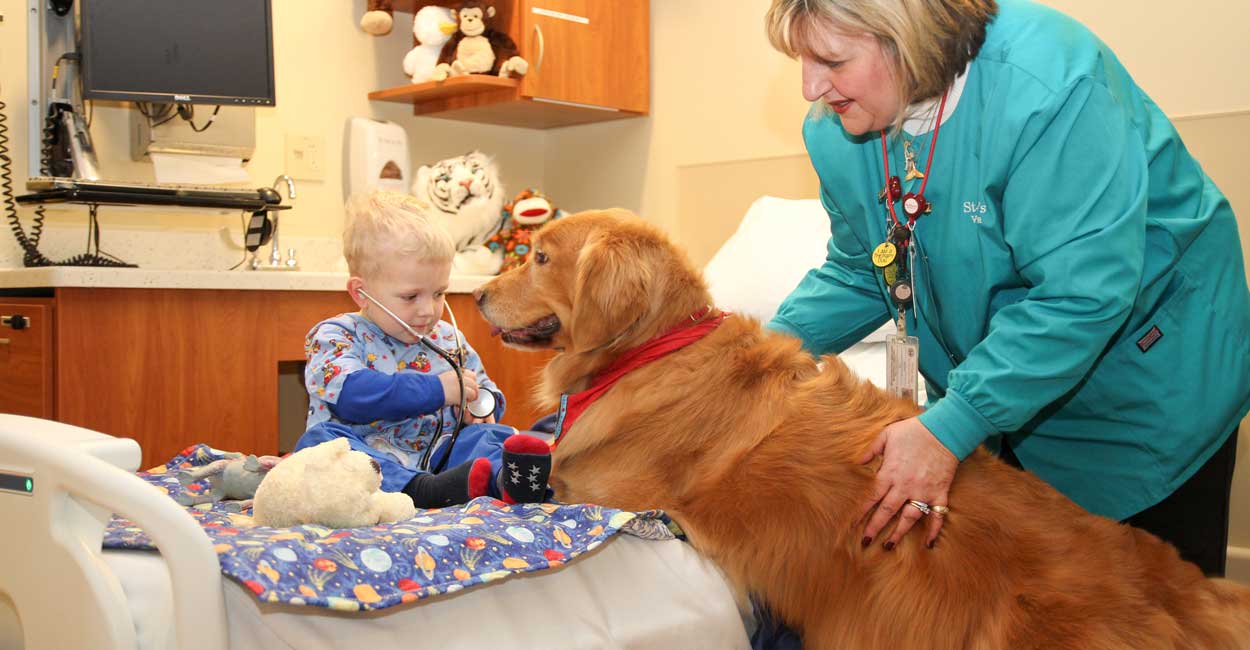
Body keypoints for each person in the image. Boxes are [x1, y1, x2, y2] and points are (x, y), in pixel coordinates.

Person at [764, 0, 1249, 577]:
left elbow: (1080, 295)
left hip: (1148, 378)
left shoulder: (1050, 85)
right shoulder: (840, 129)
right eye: (802, 59)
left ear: (907, 38)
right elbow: (865, 267)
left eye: (830, 60)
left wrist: (952, 426)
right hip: (1007, 387)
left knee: (1150, 611)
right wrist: (761, 350)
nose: (810, 87)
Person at [296, 190, 551, 508]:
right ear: (361, 293)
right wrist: (438, 390)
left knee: (490, 437)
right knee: (321, 446)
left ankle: (508, 482)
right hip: (371, 465)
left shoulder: (447, 339)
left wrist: (480, 406)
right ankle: (420, 490)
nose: (429, 311)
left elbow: (485, 390)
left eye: (439, 293)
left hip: (440, 459)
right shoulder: (335, 336)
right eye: (410, 296)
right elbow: (353, 397)